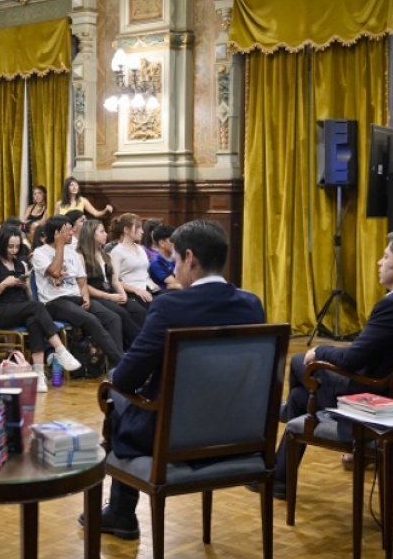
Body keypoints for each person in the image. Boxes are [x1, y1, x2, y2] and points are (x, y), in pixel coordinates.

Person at [80, 219, 266, 540]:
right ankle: (121, 511)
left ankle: (122, 512)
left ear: (190, 258)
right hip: (238, 431)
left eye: (176, 259)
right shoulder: (251, 305)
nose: (175, 267)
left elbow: (127, 377)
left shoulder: (170, 306)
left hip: (175, 437)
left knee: (113, 385)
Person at [272, 228, 393, 499]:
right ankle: (280, 478)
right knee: (301, 396)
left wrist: (318, 349)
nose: (379, 262)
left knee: (300, 361)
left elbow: (352, 360)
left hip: (378, 400)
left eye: (385, 256)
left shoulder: (392, 306)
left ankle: (287, 416)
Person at [0, 225, 82, 391]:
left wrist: (25, 286)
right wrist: (3, 285)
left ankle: (39, 375)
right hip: (1, 312)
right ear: (1, 245)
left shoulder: (21, 265)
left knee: (34, 319)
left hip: (22, 308)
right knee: (36, 307)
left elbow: (29, 298)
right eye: (10, 246)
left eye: (17, 246)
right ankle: (60, 349)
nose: (13, 250)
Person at [31, 215, 125, 366]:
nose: (71, 233)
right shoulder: (39, 253)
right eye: (67, 231)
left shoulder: (72, 253)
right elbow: (55, 272)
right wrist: (60, 246)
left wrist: (86, 295)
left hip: (76, 297)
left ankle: (115, 365)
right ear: (57, 233)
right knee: (91, 320)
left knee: (113, 318)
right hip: (54, 302)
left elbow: (81, 279)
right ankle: (121, 364)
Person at [77, 219, 146, 350]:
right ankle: (137, 349)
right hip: (96, 294)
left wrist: (122, 293)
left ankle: (140, 346)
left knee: (138, 310)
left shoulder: (105, 254)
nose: (106, 235)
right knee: (121, 314)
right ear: (91, 234)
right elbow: (84, 285)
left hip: (110, 291)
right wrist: (109, 297)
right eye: (102, 232)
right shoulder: (81, 255)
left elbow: (115, 280)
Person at [110, 213, 158, 309]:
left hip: (149, 288)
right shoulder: (117, 252)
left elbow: (144, 273)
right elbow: (115, 281)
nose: (142, 231)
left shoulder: (140, 248)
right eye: (138, 227)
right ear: (126, 230)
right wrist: (137, 290)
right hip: (133, 292)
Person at [147, 223, 182, 290]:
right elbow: (175, 283)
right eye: (172, 241)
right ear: (162, 243)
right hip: (166, 295)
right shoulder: (157, 262)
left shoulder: (177, 257)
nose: (176, 243)